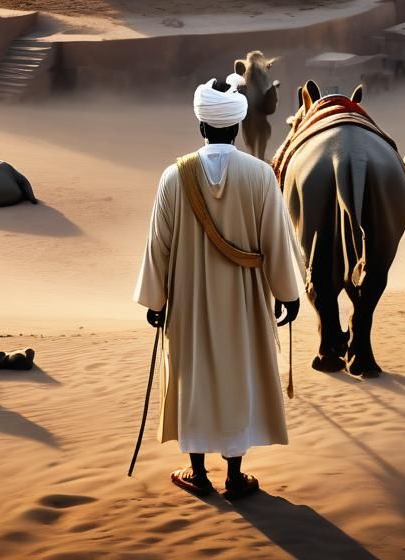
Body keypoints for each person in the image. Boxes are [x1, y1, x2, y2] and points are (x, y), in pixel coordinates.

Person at [134, 78, 303, 500]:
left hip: (187, 301)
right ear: (238, 126)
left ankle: (197, 473)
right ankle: (234, 476)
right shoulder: (261, 175)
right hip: (245, 301)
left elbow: (159, 243)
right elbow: (277, 241)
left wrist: (156, 301)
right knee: (237, 376)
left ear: (201, 126)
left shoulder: (174, 176)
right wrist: (288, 293)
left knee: (193, 378)